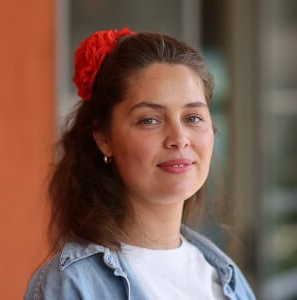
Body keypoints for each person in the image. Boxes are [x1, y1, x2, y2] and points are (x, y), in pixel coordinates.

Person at [25, 27, 256, 299]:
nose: (179, 139)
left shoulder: (226, 277)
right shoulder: (73, 285)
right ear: (103, 138)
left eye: (193, 117)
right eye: (150, 120)